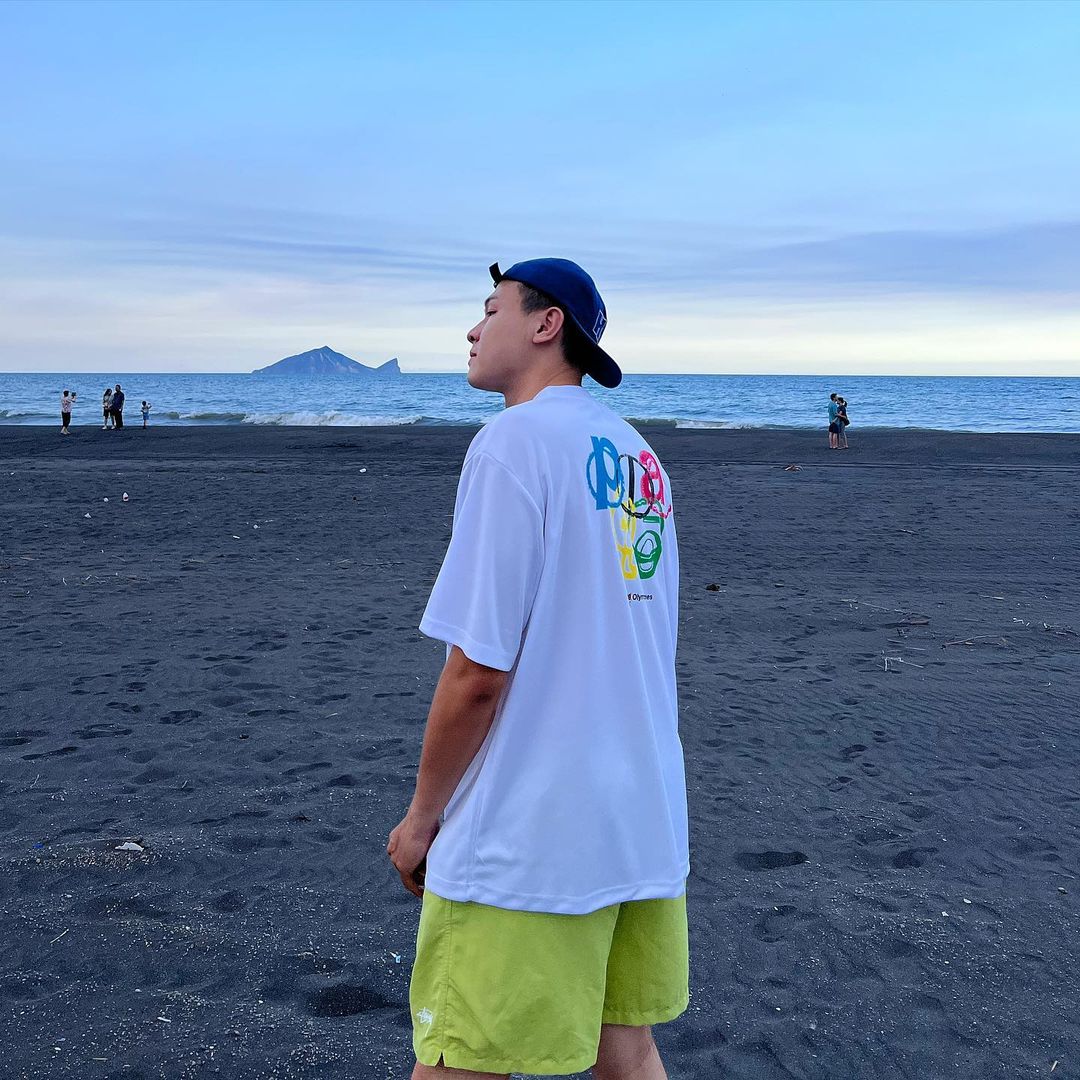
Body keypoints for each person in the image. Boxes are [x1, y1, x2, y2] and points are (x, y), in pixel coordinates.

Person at [387, 259, 688, 1080]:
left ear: (546, 324)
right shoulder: (637, 454)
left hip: (530, 829)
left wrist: (422, 820)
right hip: (642, 815)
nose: (473, 328)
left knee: (459, 1059)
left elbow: (478, 671)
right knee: (625, 1046)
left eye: (491, 310)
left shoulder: (513, 444)